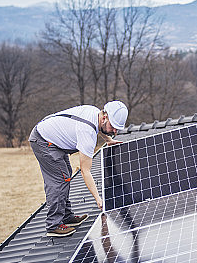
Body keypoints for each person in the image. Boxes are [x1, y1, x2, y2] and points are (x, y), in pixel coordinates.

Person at [29, 101, 127, 237]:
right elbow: (85, 171)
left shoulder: (95, 113)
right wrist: (98, 198)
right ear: (105, 117)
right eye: (113, 127)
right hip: (44, 141)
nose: (115, 132)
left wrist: (107, 139)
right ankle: (53, 225)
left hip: (51, 137)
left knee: (66, 174)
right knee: (60, 179)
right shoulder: (87, 133)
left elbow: (99, 128)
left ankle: (67, 217)